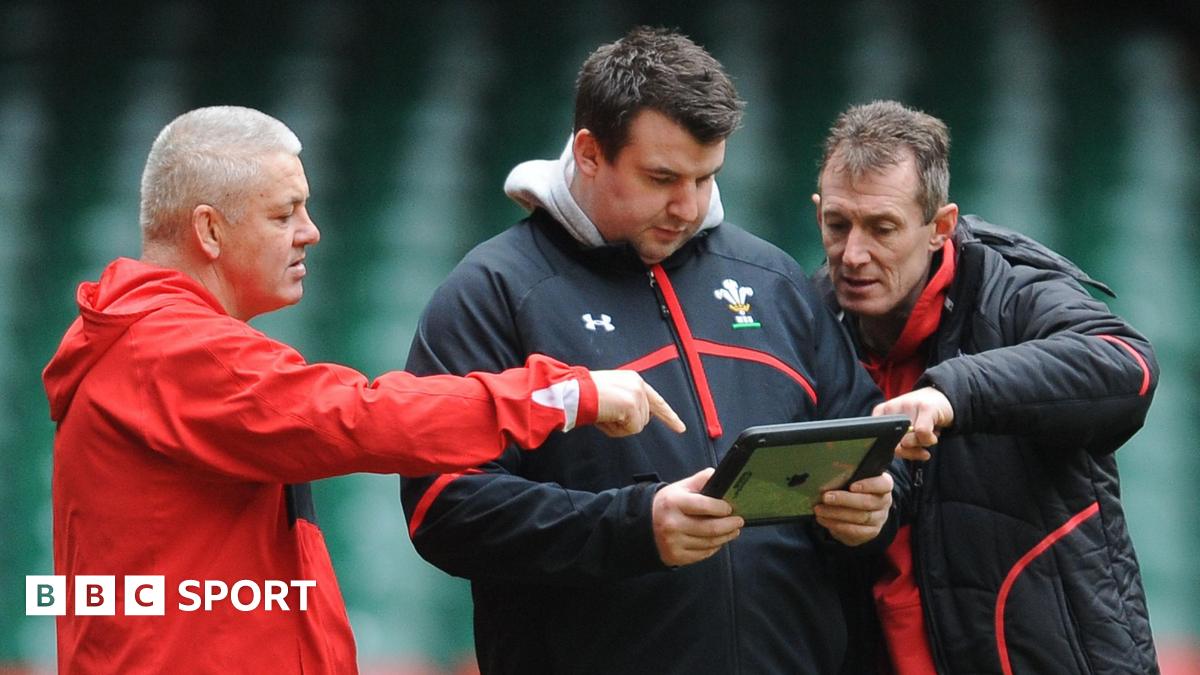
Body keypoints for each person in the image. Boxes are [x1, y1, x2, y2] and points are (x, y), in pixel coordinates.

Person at [41, 105, 683, 675]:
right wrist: (569, 395)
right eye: (283, 212)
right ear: (209, 230)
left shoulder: (145, 344)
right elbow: (358, 417)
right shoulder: (173, 349)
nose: (310, 230)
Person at [400, 27, 896, 675]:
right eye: (662, 177)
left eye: (706, 176)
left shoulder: (773, 279)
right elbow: (444, 506)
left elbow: (870, 440)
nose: (688, 206)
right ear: (589, 152)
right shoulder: (493, 292)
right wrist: (635, 526)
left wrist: (874, 508)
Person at [810, 100, 1159, 674]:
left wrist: (953, 393)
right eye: (838, 224)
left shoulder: (1016, 294)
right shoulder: (808, 323)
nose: (853, 254)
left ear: (940, 227)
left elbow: (1128, 366)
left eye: (882, 228)